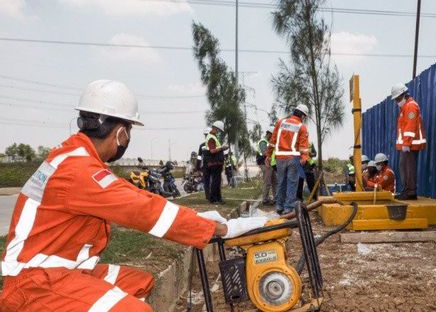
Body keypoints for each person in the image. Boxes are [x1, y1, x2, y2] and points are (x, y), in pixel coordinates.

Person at [0, 80, 266, 312]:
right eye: (129, 131)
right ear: (120, 132)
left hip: (59, 271)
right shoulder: (78, 170)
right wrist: (219, 229)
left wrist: (194, 217)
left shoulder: (73, 158)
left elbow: (134, 197)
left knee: (140, 283)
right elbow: (142, 210)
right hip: (35, 284)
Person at [266, 104, 310, 215]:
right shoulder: (301, 127)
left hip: (280, 158)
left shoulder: (280, 123)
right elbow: (303, 146)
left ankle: (279, 206)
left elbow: (273, 140)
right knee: (292, 183)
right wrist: (304, 157)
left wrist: (268, 155)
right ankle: (288, 208)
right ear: (302, 115)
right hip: (293, 158)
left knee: (281, 182)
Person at [391, 83, 427, 200]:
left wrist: (406, 143)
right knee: (404, 166)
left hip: (410, 144)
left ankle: (410, 191)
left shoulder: (410, 106)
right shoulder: (405, 107)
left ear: (404, 95)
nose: (397, 101)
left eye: (398, 98)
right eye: (396, 99)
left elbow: (410, 127)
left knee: (408, 167)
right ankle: (407, 190)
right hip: (407, 144)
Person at [204, 121, 229, 204]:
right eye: (218, 130)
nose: (219, 132)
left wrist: (222, 148)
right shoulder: (211, 137)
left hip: (217, 163)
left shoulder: (214, 137)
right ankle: (214, 199)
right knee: (215, 182)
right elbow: (212, 151)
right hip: (214, 163)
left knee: (217, 182)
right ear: (215, 128)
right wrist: (222, 148)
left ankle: (216, 198)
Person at [257, 126, 277, 205]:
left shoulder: (270, 142)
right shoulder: (263, 142)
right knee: (267, 182)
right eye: (272, 135)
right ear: (269, 134)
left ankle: (276, 198)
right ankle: (265, 200)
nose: (273, 137)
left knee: (275, 181)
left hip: (271, 164)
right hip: (265, 164)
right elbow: (265, 153)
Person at [198, 127, 210, 200]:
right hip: (207, 166)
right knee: (207, 182)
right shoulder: (202, 145)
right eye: (205, 135)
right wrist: (198, 167)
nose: (206, 136)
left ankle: (209, 196)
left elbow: (199, 157)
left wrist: (198, 167)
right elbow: (199, 157)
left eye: (207, 135)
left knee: (209, 182)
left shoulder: (202, 145)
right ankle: (208, 197)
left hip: (209, 166)